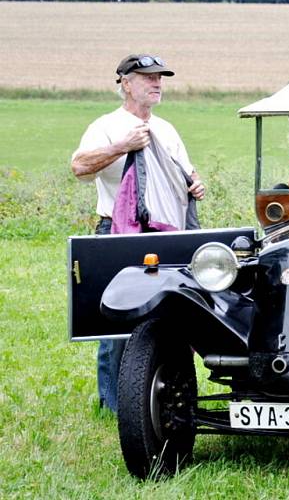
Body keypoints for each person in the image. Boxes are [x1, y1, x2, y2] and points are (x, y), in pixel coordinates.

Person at [71, 53, 206, 414]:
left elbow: (185, 173)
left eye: (160, 77)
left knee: (172, 315)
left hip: (165, 234)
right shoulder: (106, 126)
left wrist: (194, 185)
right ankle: (114, 404)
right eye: (147, 77)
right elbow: (79, 168)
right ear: (125, 83)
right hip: (118, 233)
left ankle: (168, 395)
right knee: (116, 317)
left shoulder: (167, 129)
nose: (157, 83)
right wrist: (122, 147)